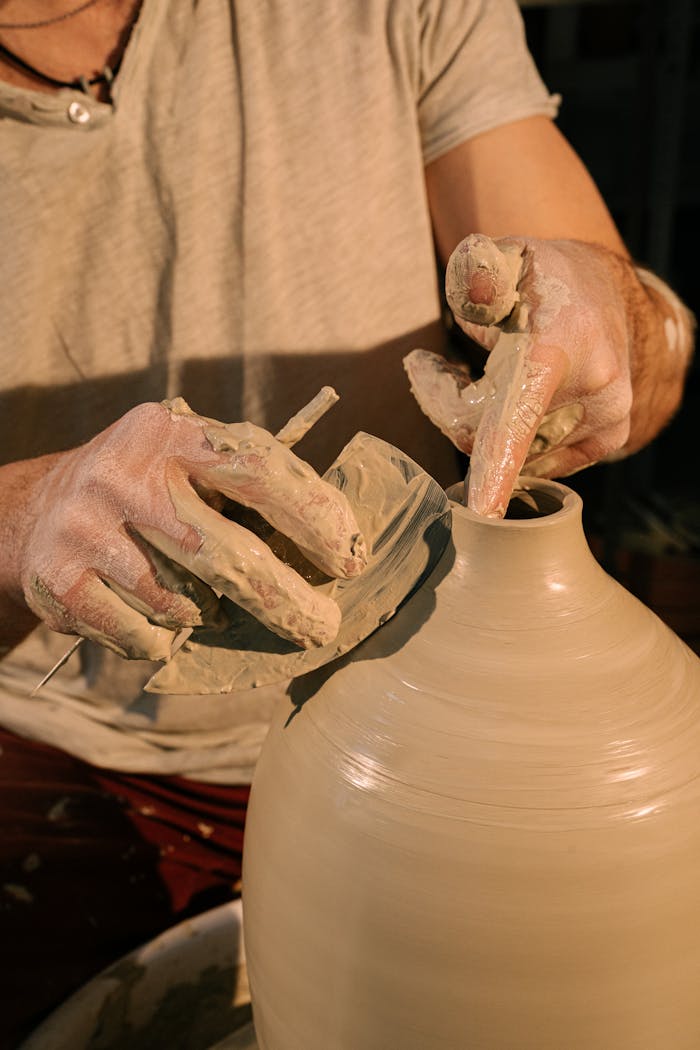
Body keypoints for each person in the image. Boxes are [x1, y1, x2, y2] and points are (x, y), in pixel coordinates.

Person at [0, 0, 694, 1042]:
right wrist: (22, 512)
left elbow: (638, 349)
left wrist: (619, 322)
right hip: (51, 734)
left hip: (406, 694)